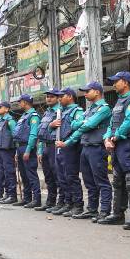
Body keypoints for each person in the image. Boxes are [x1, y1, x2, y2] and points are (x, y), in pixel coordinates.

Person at [59, 82, 112, 221]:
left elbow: (89, 124)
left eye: (88, 91)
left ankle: (105, 210)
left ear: (97, 92)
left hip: (97, 148)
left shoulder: (104, 108)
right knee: (89, 182)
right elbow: (76, 126)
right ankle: (92, 210)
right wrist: (68, 142)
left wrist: (83, 123)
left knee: (101, 181)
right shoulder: (88, 110)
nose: (85, 94)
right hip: (86, 147)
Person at [100, 72, 130, 229]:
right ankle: (118, 214)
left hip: (127, 143)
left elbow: (129, 122)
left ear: (125, 83)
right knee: (117, 180)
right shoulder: (118, 102)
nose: (114, 84)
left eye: (116, 81)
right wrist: (106, 138)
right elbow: (111, 124)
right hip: (115, 144)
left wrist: (115, 137)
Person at [52, 87, 85, 216]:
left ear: (70, 96)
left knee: (71, 176)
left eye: (62, 96)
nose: (59, 99)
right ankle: (67, 203)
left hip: (70, 147)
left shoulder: (77, 111)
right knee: (61, 177)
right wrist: (51, 125)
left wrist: (67, 142)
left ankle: (78, 205)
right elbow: (53, 131)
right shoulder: (62, 112)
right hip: (60, 145)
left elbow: (79, 128)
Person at [11, 94, 42, 208]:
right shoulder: (24, 116)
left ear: (26, 102)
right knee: (23, 175)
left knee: (31, 174)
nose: (19, 103)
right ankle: (27, 198)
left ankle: (36, 199)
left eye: (20, 101)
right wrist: (16, 152)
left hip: (27, 147)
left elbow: (33, 135)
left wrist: (28, 150)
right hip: (20, 147)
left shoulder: (33, 116)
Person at [36, 89, 63, 212]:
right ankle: (50, 201)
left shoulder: (60, 111)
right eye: (47, 96)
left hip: (55, 146)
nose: (49, 99)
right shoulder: (46, 113)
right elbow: (42, 133)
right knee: (48, 176)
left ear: (58, 98)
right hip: (46, 146)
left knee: (58, 175)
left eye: (52, 97)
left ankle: (61, 202)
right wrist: (40, 151)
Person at [0, 102, 18, 204]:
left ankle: (12, 195)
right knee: (2, 172)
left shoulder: (10, 121)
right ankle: (7, 194)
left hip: (8, 151)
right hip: (0, 150)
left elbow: (15, 135)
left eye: (0, 107)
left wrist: (17, 151)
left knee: (9, 172)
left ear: (7, 109)